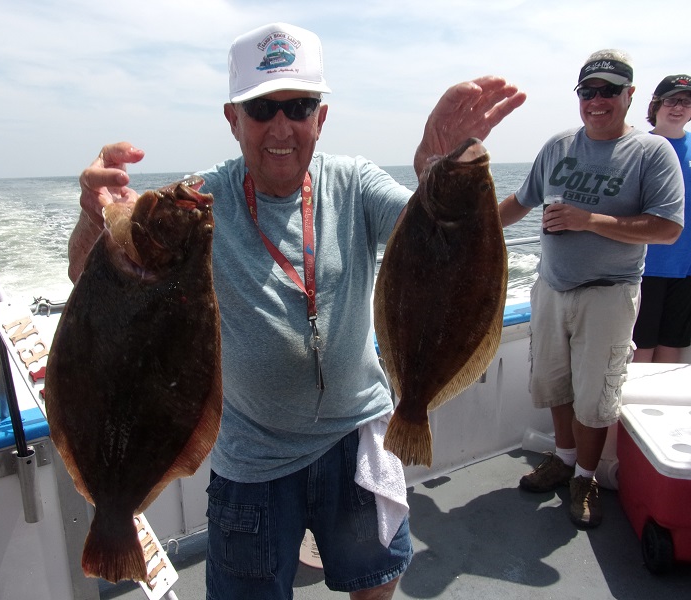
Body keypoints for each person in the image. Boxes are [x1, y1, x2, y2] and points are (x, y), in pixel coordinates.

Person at [69, 22, 525, 600]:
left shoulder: (354, 183)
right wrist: (94, 216)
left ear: (321, 117)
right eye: (261, 109)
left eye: (300, 106)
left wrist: (439, 174)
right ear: (233, 119)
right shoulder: (196, 205)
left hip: (357, 437)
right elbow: (86, 274)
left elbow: (441, 243)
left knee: (376, 585)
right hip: (252, 457)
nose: (281, 127)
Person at [498, 50, 684, 529]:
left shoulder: (651, 152)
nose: (596, 100)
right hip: (550, 287)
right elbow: (520, 201)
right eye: (588, 91)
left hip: (609, 293)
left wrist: (590, 221)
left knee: (595, 396)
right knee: (555, 384)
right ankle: (563, 459)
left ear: (629, 95)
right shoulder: (558, 146)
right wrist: (462, 225)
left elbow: (667, 228)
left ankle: (586, 476)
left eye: (608, 91)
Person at [632, 74, 691, 363]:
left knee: (672, 347)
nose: (678, 107)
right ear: (655, 104)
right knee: (640, 350)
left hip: (686, 270)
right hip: (645, 267)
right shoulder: (637, 146)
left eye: (686, 102)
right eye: (671, 100)